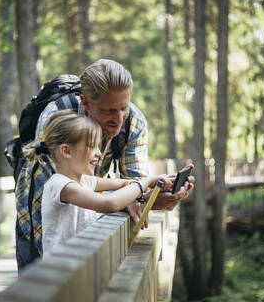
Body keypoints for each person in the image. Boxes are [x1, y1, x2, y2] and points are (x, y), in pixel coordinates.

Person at [15, 59, 194, 272]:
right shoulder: (57, 119)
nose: (118, 119)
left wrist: (150, 197)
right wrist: (140, 189)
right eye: (109, 110)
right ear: (86, 102)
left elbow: (130, 186)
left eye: (123, 107)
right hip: (38, 226)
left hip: (85, 234)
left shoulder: (134, 121)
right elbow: (78, 195)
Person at [23, 110, 170, 256]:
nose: (99, 153)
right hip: (63, 273)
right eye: (92, 146)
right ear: (66, 151)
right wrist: (146, 182)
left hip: (82, 267)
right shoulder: (60, 186)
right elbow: (109, 203)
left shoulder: (84, 181)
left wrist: (142, 188)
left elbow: (123, 184)